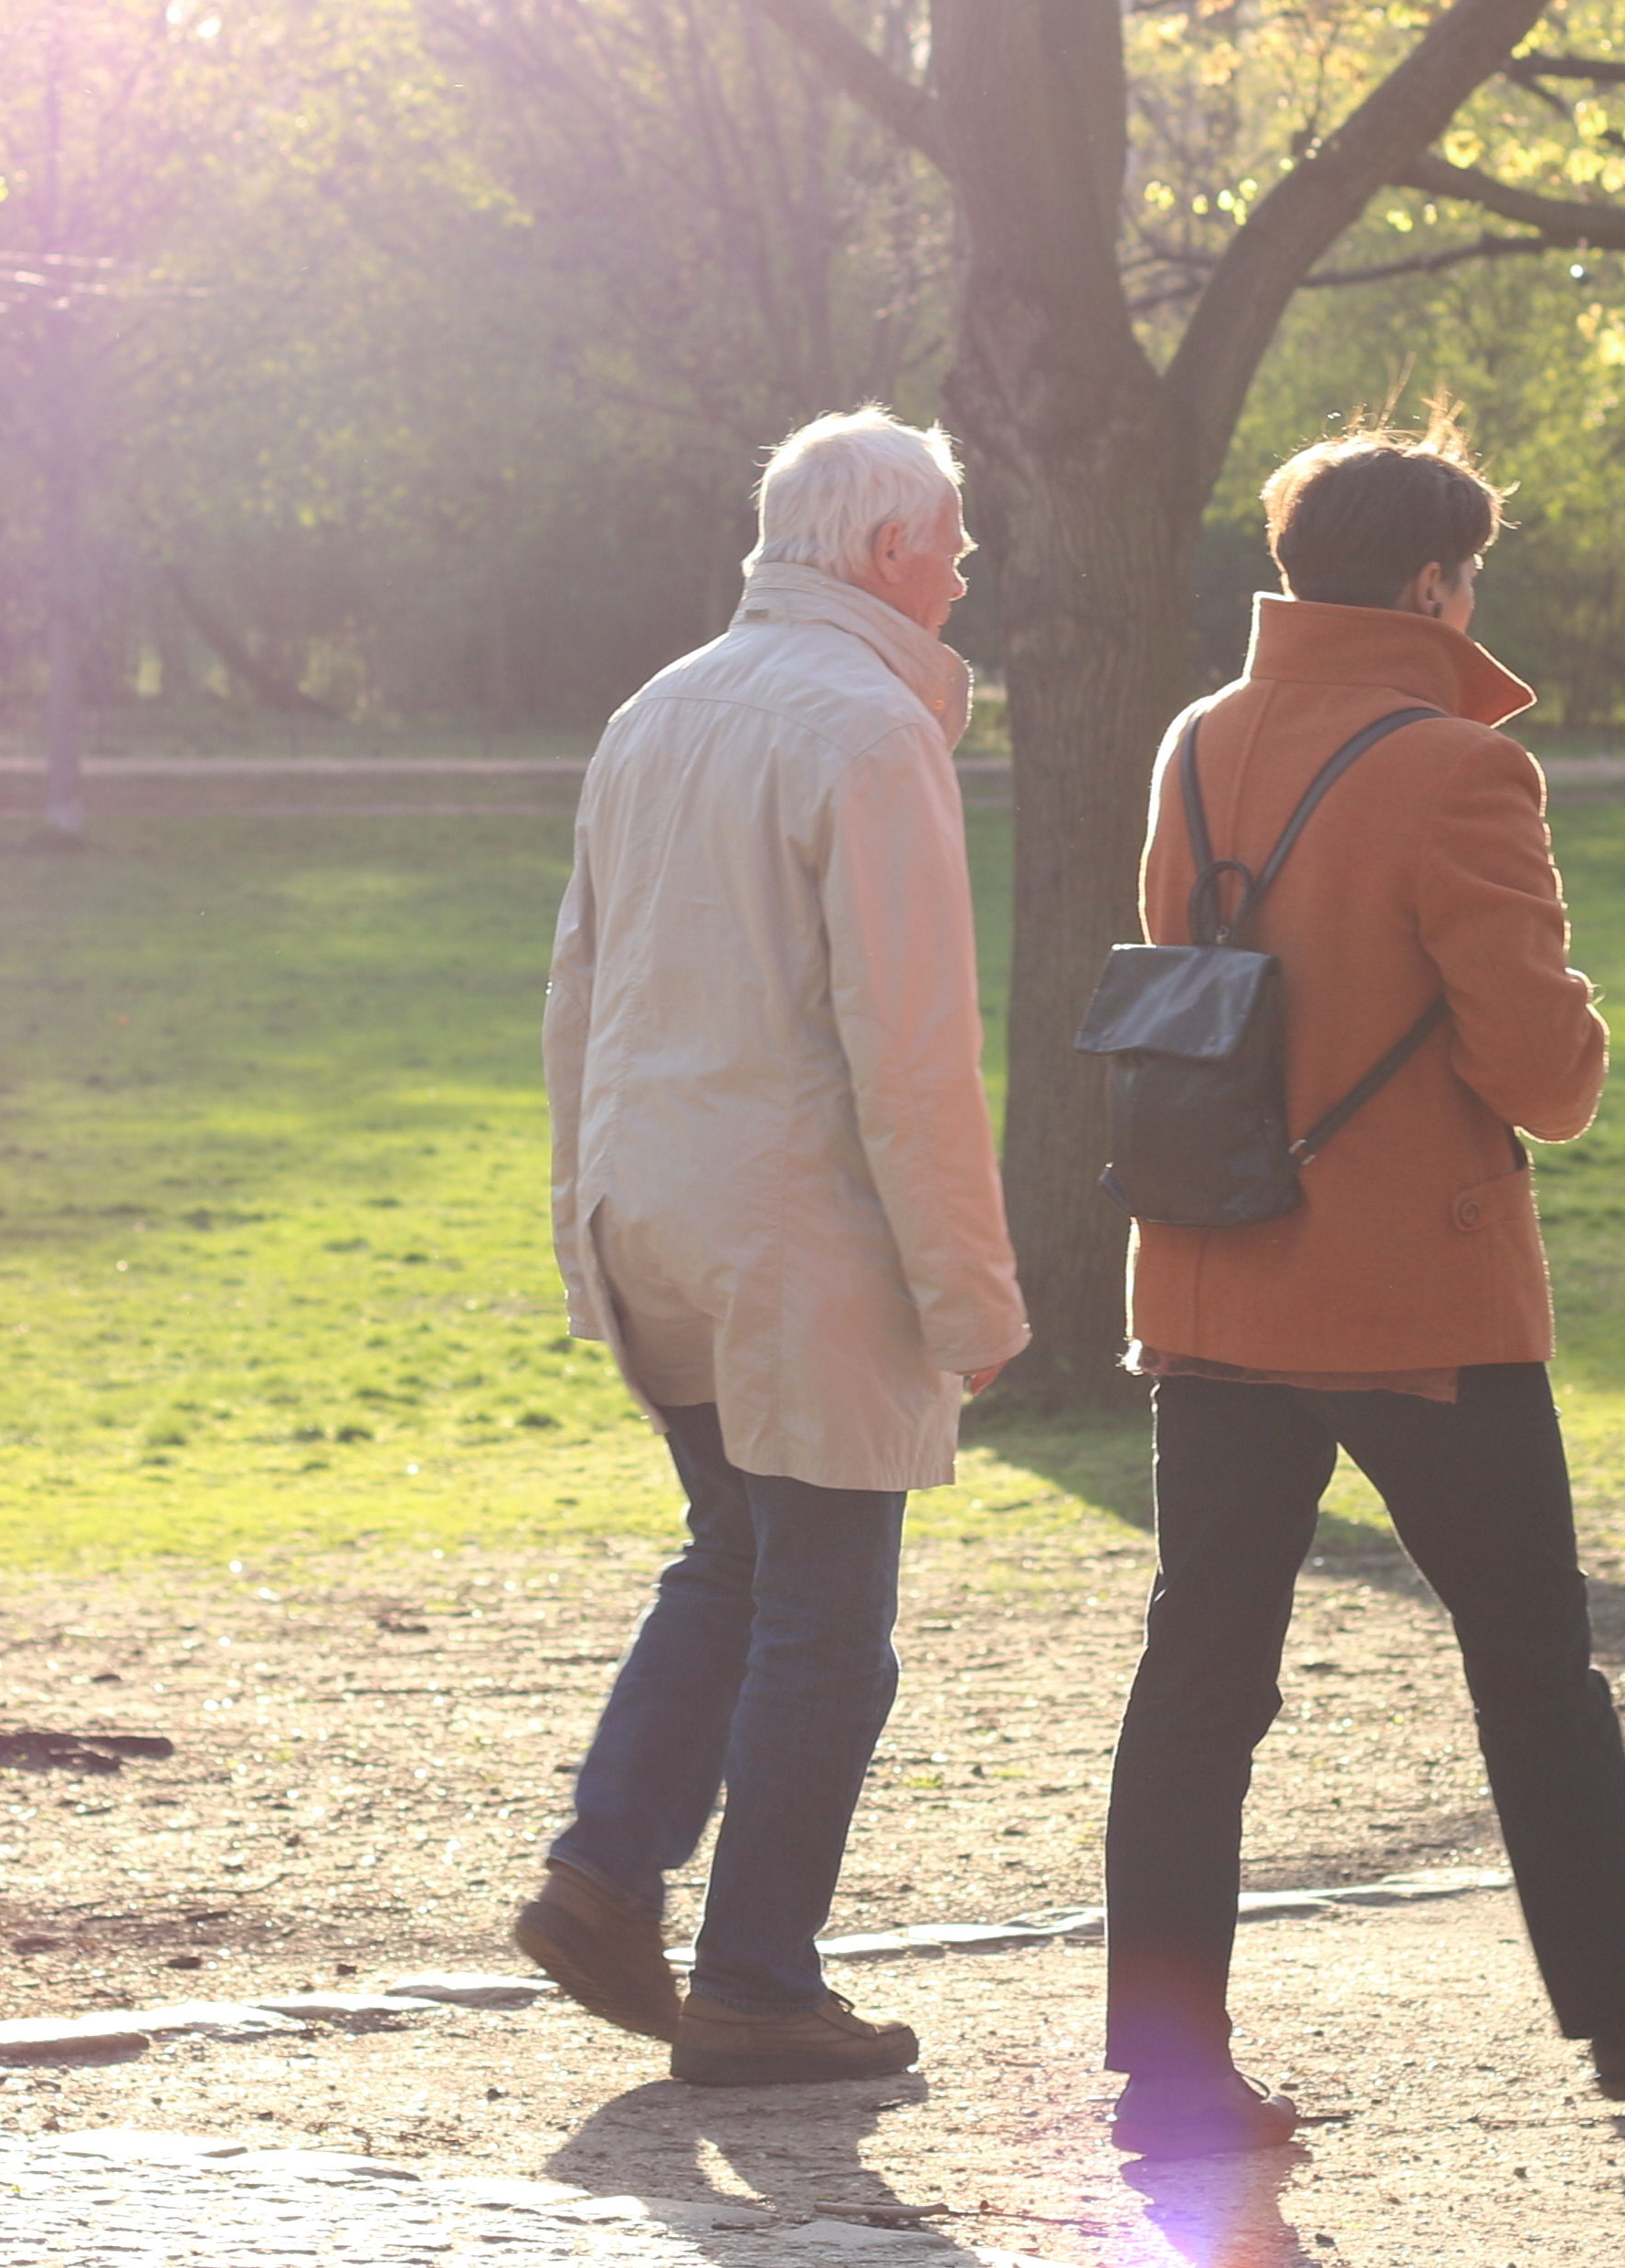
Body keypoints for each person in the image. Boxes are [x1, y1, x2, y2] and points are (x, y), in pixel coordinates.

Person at [1097, 410, 1625, 2159]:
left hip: (1211, 1272)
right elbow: (1539, 1072)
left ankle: (1167, 2063)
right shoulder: (1459, 767)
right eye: (1469, 574)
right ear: (1428, 580)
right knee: (1528, 1658)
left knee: (1198, 1675)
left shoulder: (1192, 742)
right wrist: (1583, 1026)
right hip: (1408, 1295)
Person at [517, 407, 1029, 2088]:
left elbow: (575, 990)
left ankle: (603, 1873)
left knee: (734, 1561)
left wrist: (580, 1211)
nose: (965, 566)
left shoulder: (658, 706)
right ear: (885, 550)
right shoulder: (869, 728)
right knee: (826, 1618)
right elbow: (909, 1047)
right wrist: (971, 1291)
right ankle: (754, 1979)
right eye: (951, 538)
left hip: (650, 1203)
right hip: (798, 1225)